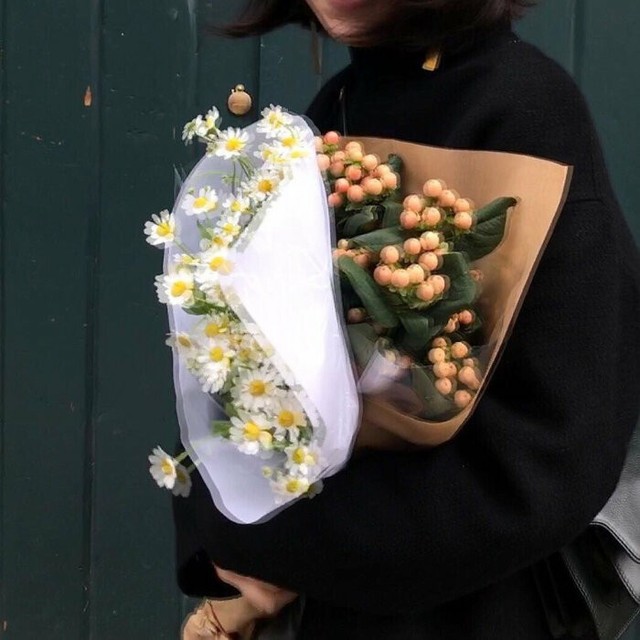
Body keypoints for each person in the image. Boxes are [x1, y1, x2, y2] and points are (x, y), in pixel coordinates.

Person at [174, 1, 640, 638]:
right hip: (330, 593)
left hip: (468, 610)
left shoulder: (524, 110)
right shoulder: (343, 102)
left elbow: (549, 457)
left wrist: (263, 539)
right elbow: (251, 356)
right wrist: (222, 518)